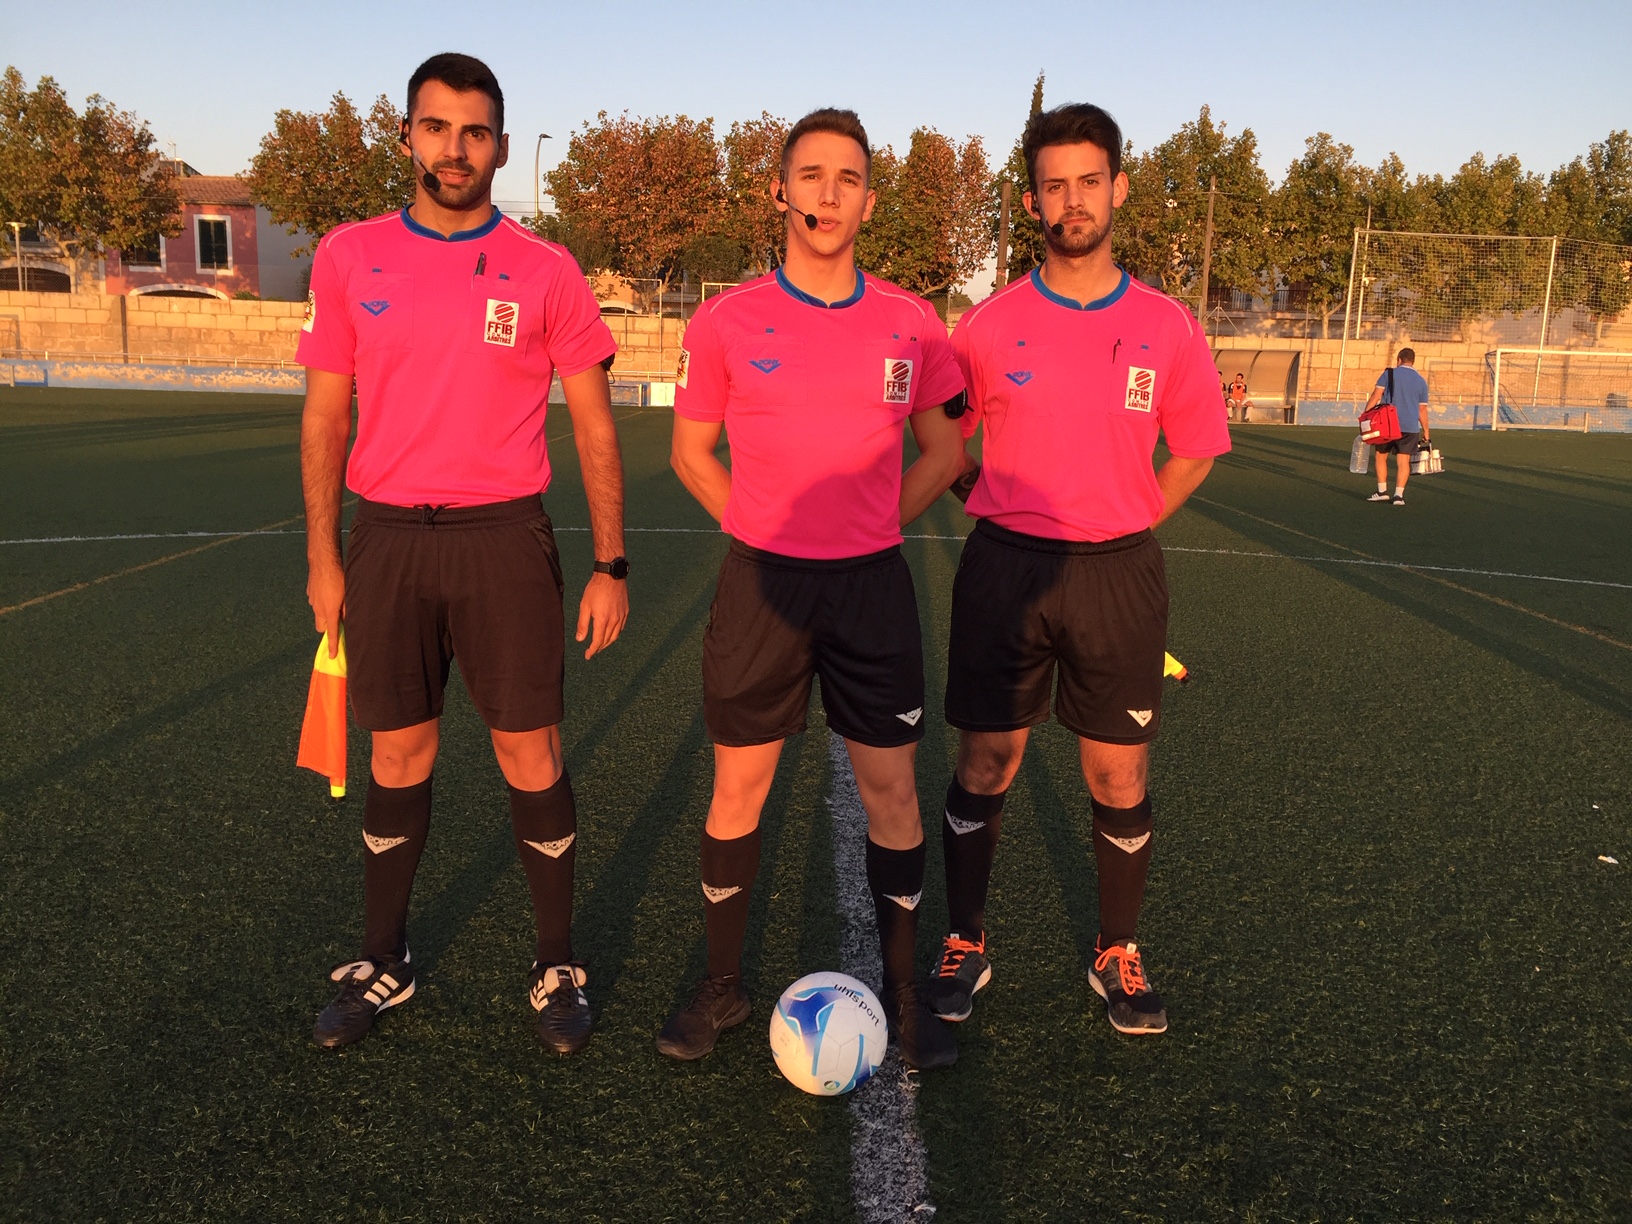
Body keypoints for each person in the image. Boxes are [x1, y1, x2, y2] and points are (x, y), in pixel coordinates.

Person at [297, 53, 629, 1053]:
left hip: (503, 540)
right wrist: (323, 556)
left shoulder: (546, 268)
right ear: (406, 136)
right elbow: (325, 417)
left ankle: (557, 962)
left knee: (531, 750)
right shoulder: (349, 256)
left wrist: (611, 563)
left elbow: (595, 424)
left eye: (474, 132)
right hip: (388, 539)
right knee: (398, 752)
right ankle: (384, 958)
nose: (455, 148)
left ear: (500, 146)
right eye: (436, 128)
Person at [662, 108, 968, 1069]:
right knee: (738, 789)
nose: (828, 195)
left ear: (869, 202)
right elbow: (691, 453)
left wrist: (876, 520)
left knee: (893, 792)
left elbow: (947, 449)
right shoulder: (726, 319)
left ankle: (904, 992)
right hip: (763, 586)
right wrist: (763, 527)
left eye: (848, 179)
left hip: (872, 588)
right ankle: (721, 985)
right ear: (779, 191)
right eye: (811, 175)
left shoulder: (911, 322)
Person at [924, 103, 1230, 1037]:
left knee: (1118, 773)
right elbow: (944, 439)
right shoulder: (987, 326)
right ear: (1032, 201)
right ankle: (965, 940)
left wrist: (1129, 516)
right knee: (987, 758)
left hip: (1118, 573)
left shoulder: (1168, 326)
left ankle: (1117, 950)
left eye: (1088, 181)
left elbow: (1196, 450)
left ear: (1118, 188)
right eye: (1053, 186)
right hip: (1005, 567)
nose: (1072, 201)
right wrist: (982, 487)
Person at [1364, 348, 1430, 505]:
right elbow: (1422, 409)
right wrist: (1426, 430)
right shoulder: (1421, 381)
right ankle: (1398, 496)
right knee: (1403, 461)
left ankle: (1382, 491)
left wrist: (1366, 417)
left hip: (1387, 424)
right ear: (1413, 361)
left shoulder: (1389, 374)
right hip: (1410, 426)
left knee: (1381, 456)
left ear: (1399, 360)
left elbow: (1375, 396)